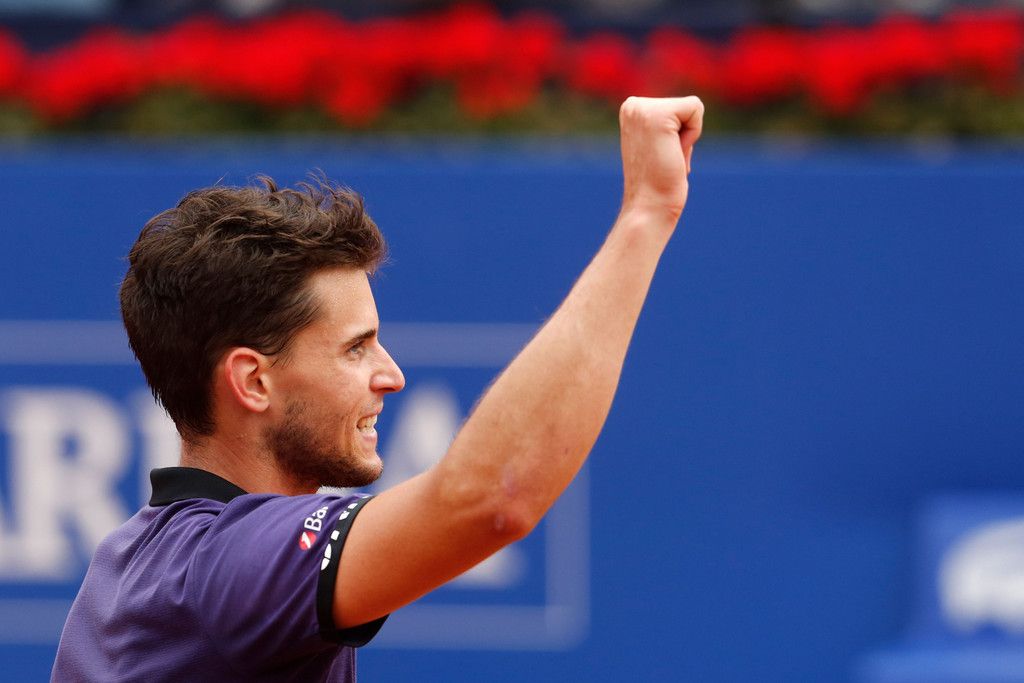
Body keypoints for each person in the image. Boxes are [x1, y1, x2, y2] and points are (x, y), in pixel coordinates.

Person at [51, 95, 704, 681]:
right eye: (355, 348)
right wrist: (646, 214)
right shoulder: (226, 568)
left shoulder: (130, 560)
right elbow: (493, 498)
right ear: (253, 380)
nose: (391, 376)